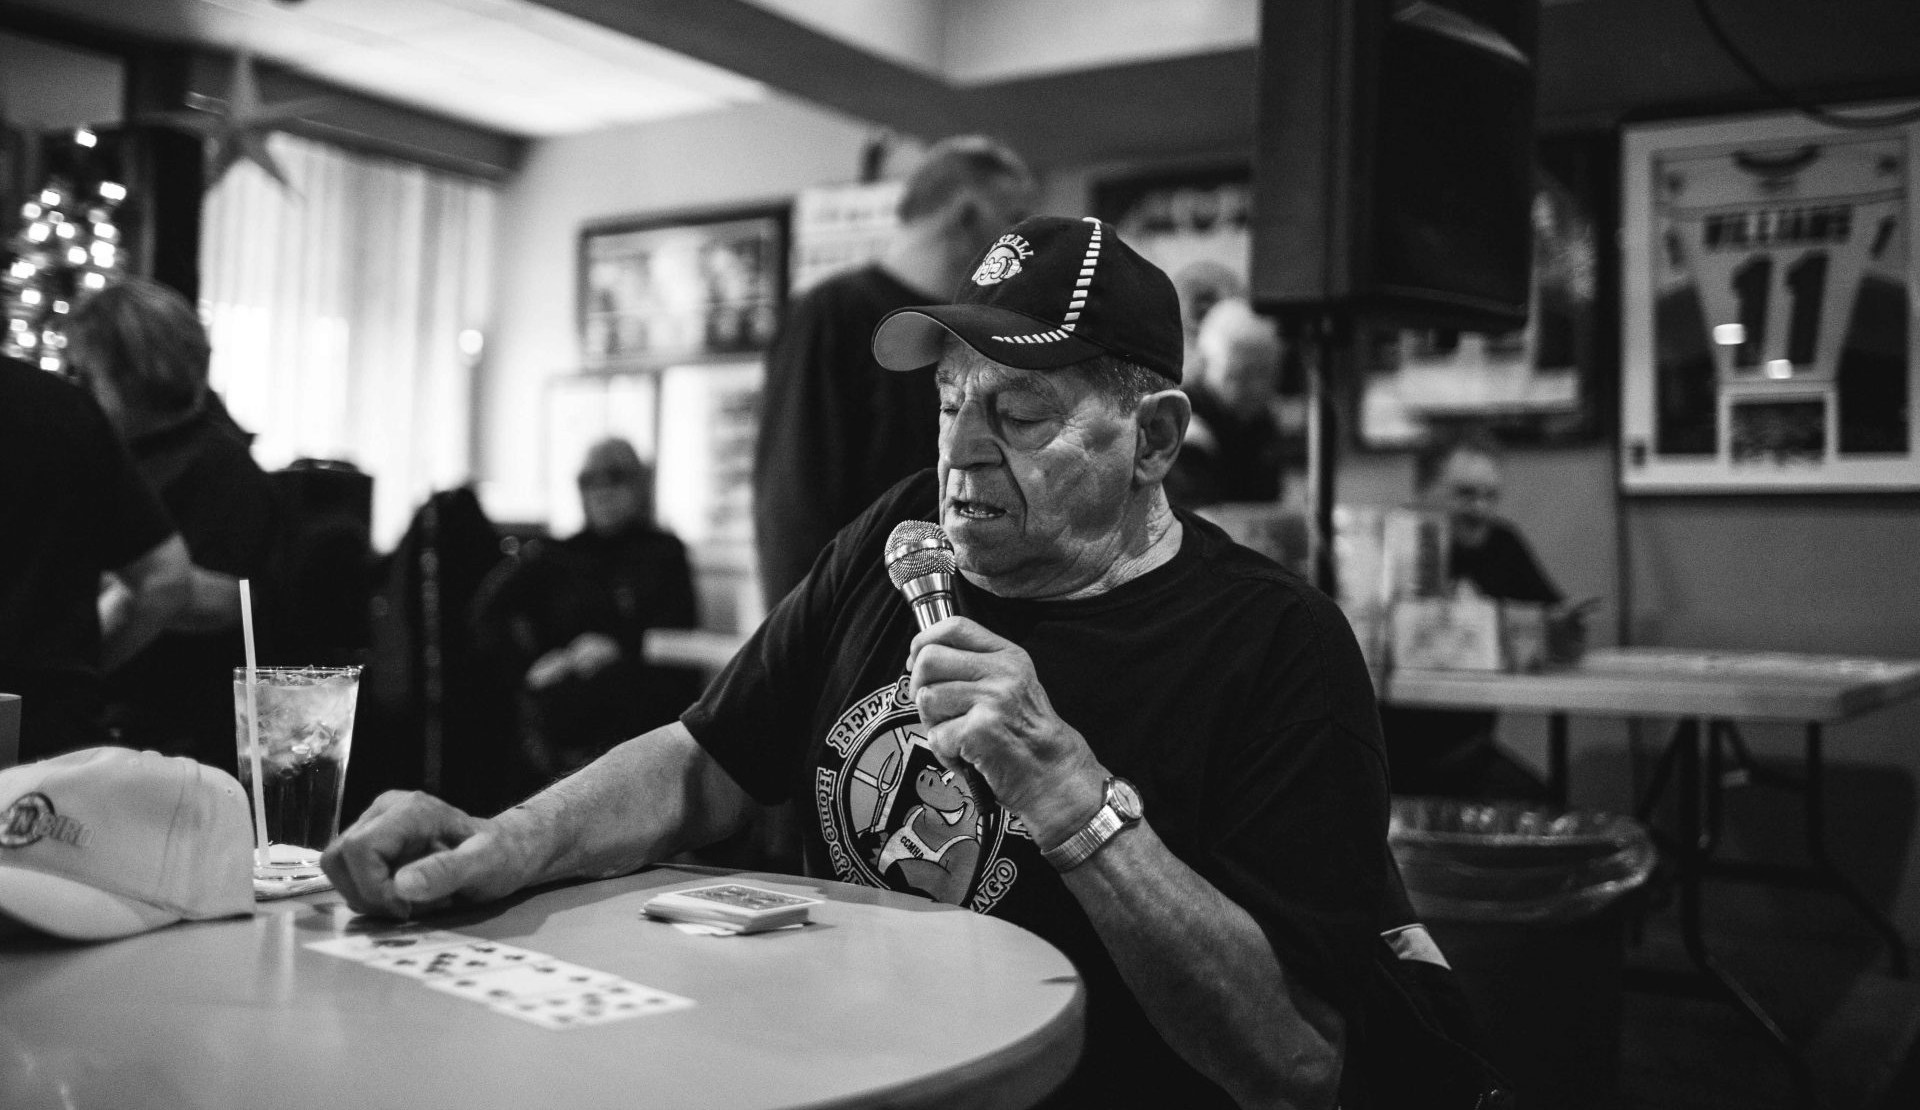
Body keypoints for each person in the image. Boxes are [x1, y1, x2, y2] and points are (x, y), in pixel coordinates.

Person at [325, 216, 1390, 1109]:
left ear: (1153, 440)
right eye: (949, 401)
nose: (962, 449)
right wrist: (504, 836)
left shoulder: (1276, 645)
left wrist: (1076, 801)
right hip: (823, 1072)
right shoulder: (893, 535)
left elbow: (1297, 1060)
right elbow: (706, 757)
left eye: (1019, 413)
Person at [752, 135, 1035, 608]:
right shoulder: (833, 314)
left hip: (949, 615)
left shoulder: (974, 335)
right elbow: (793, 503)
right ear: (966, 216)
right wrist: (805, 651)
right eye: (1011, 223)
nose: (1019, 247)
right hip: (858, 625)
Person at [65, 278, 284, 768]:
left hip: (173, 745)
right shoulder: (130, 456)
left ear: (133, 372)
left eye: (85, 375)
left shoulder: (221, 470)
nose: (76, 389)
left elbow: (222, 601)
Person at [475, 438, 700, 788]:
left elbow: (678, 635)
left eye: (615, 478)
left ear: (638, 485)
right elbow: (489, 610)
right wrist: (530, 664)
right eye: (589, 481)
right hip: (562, 704)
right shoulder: (559, 554)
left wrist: (622, 647)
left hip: (640, 702)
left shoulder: (664, 553)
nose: (602, 491)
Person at [0, 354, 191, 760]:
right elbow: (167, 577)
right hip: (51, 733)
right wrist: (75, 668)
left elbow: (185, 585)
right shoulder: (62, 406)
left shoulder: (214, 465)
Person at [1380, 429, 1585, 800]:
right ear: (1422, 492)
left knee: (1548, 814)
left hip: (1465, 752)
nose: (1481, 510)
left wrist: (1562, 629)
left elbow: (1553, 620)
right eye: (1465, 494)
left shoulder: (1502, 544)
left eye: (1491, 496)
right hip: (1382, 757)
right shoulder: (1383, 546)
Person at [1165, 298, 1303, 509]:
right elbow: (1199, 523)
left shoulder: (1260, 422)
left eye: (1265, 372)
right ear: (1205, 365)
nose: (1257, 387)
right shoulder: (1182, 422)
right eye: (1243, 373)